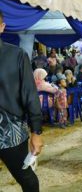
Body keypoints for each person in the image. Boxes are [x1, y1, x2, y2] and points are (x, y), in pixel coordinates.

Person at [0, 10, 43, 191]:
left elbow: (29, 94)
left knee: (27, 178)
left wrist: (36, 132)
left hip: (10, 131)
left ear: (1, 27)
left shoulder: (16, 55)